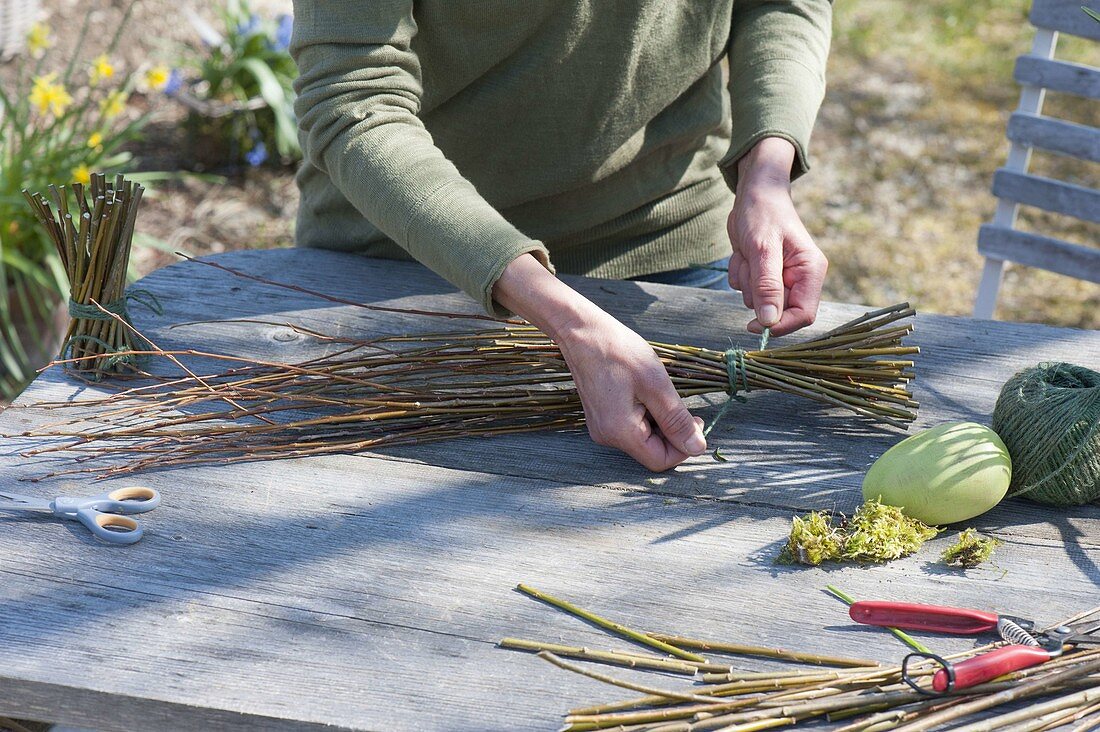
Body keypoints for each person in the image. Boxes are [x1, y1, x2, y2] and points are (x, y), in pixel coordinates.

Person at [289, 1, 832, 472]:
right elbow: (353, 98)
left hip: (666, 239)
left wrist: (767, 173)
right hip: (409, 267)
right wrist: (565, 318)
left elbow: (778, 3)